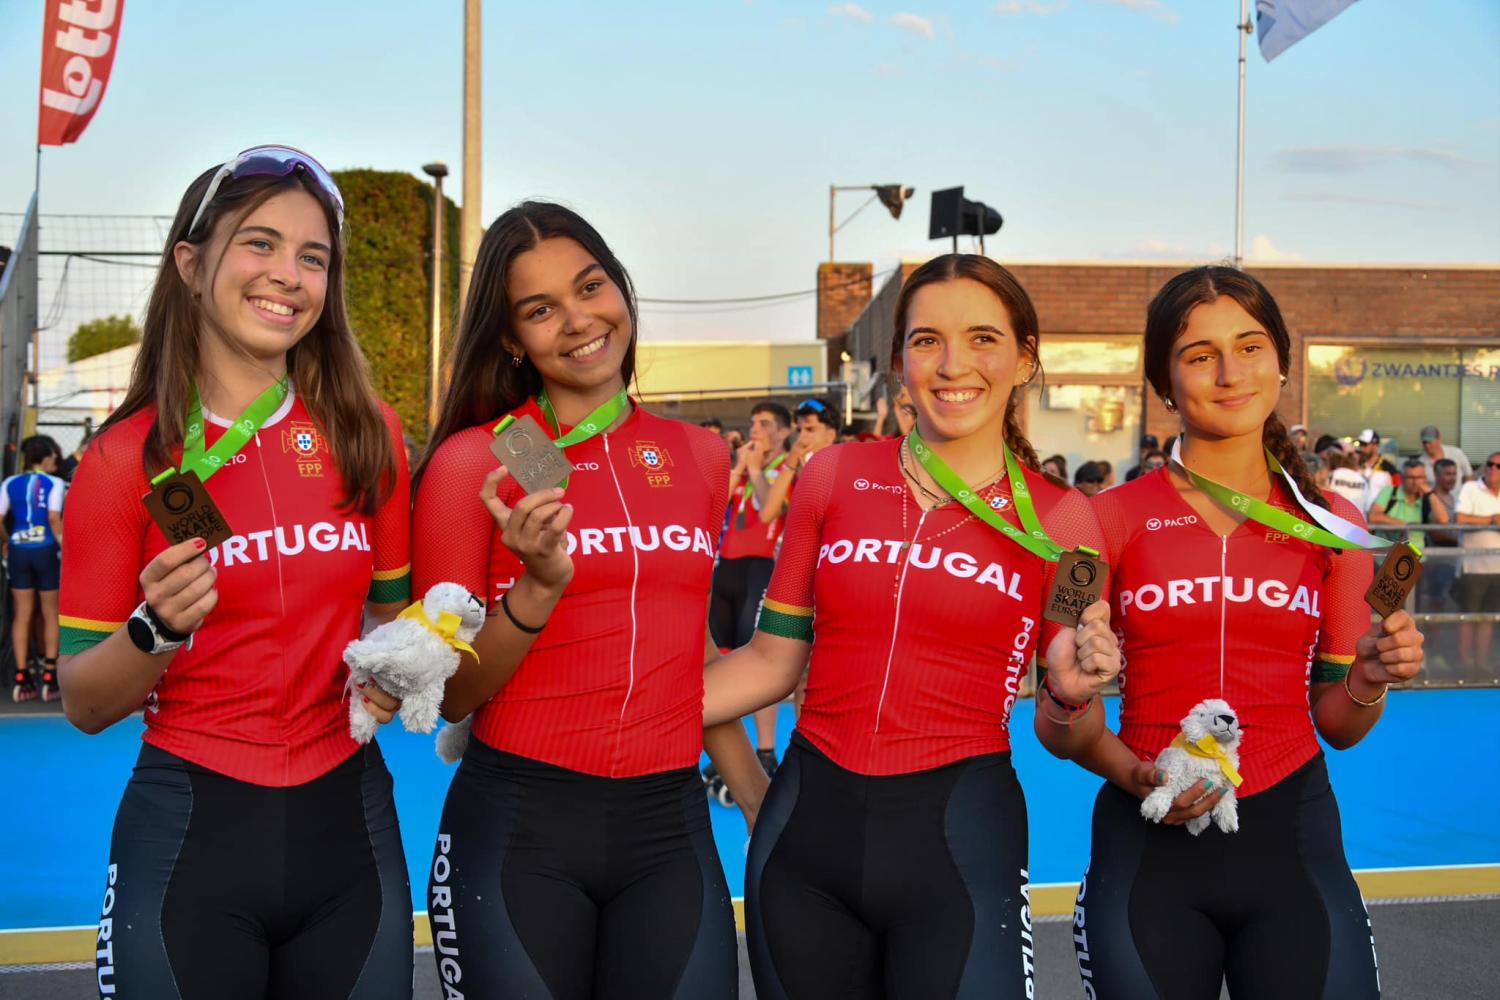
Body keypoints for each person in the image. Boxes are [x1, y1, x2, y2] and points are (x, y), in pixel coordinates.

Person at [702, 254, 1121, 998]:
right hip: (807, 838)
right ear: (899, 361)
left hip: (960, 842)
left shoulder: (1065, 517)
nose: (954, 364)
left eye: (983, 338)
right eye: (928, 340)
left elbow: (1064, 697)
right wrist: (607, 702)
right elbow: (769, 663)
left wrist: (1069, 686)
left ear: (1025, 358)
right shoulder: (832, 476)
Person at [57, 147, 415, 999]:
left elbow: (397, 625)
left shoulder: (371, 435)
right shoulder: (124, 461)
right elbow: (84, 702)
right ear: (191, 262)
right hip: (191, 831)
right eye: (259, 244)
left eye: (313, 257)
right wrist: (156, 630)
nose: (287, 275)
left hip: (349, 822)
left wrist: (402, 665)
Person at [412, 201, 762, 998]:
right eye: (541, 310)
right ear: (510, 338)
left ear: (621, 289)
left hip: (668, 829)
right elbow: (450, 691)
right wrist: (537, 591)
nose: (578, 321)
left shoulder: (701, 457)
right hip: (519, 830)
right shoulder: (476, 466)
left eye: (591, 287)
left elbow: (694, 648)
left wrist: (755, 798)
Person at [1046, 265, 1424, 1000]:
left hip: (1292, 841)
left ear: (1281, 362)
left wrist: (1371, 680)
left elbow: (1337, 725)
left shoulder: (1336, 528)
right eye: (1198, 355)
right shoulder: (1090, 522)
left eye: (1250, 347)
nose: (1229, 373)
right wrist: (1118, 752)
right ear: (1164, 381)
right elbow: (1057, 722)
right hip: (1146, 841)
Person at [711, 399, 793, 779]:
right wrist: (741, 466)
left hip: (762, 568)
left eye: (763, 423)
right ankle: (727, 753)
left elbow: (767, 509)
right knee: (718, 659)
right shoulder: (746, 464)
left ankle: (764, 750)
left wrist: (757, 470)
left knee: (756, 660)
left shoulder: (790, 468)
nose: (755, 429)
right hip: (727, 565)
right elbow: (716, 504)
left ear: (783, 431)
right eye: (752, 422)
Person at [1, 435, 66, 702]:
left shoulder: (9, 482)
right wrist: (64, 547)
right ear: (46, 457)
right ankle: (50, 676)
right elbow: (53, 517)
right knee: (51, 612)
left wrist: (6, 543)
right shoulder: (55, 483)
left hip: (18, 550)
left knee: (22, 613)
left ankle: (21, 674)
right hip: (46, 550)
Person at [1455, 452, 1500, 669]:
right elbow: (1460, 519)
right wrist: (1492, 520)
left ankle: (1481, 664)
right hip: (1473, 566)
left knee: (1488, 619)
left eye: (1498, 466)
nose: (1493, 469)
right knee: (1468, 618)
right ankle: (1464, 664)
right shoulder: (1470, 488)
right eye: (1490, 464)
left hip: (1497, 568)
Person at [1367, 456, 1433, 549]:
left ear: (1425, 479)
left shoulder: (1429, 498)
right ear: (1402, 478)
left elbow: (1443, 521)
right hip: (1385, 558)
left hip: (1417, 558)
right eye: (1410, 477)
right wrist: (1404, 525)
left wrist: (1431, 494)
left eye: (1419, 477)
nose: (1415, 482)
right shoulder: (1389, 491)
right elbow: (1373, 516)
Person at [1355, 428, 1398, 510]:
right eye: (1360, 444)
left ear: (1375, 445)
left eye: (1364, 444)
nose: (1361, 448)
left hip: (1378, 515)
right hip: (1358, 513)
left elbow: (1396, 492)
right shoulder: (1356, 465)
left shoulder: (1389, 468)